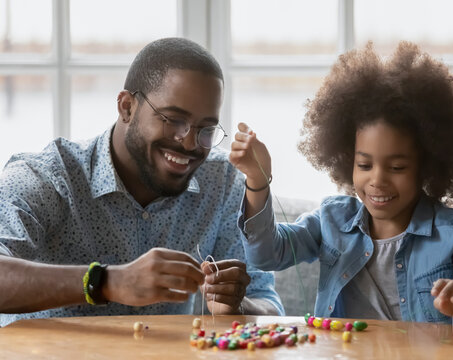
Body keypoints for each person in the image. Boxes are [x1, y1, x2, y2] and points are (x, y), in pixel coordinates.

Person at [230, 41, 453, 353]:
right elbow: (266, 254)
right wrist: (257, 180)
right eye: (364, 165)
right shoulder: (332, 220)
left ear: (428, 166)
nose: (377, 180)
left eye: (397, 167)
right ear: (346, 158)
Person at [0, 37, 284, 327]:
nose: (189, 143)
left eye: (206, 129)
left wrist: (235, 305)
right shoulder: (48, 176)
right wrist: (106, 281)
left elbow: (269, 306)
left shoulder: (223, 182)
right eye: (173, 120)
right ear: (126, 107)